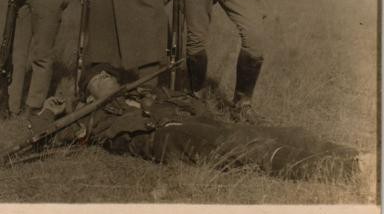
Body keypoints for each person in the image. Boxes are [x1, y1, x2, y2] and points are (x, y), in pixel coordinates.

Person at [26, 66, 359, 182]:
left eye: (108, 73)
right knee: (235, 146)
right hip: (164, 136)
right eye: (97, 78)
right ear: (86, 95)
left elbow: (190, 101)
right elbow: (37, 139)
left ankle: (347, 157)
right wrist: (47, 114)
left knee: (268, 132)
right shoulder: (88, 117)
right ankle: (316, 169)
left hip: (189, 120)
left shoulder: (146, 90)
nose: (107, 78)